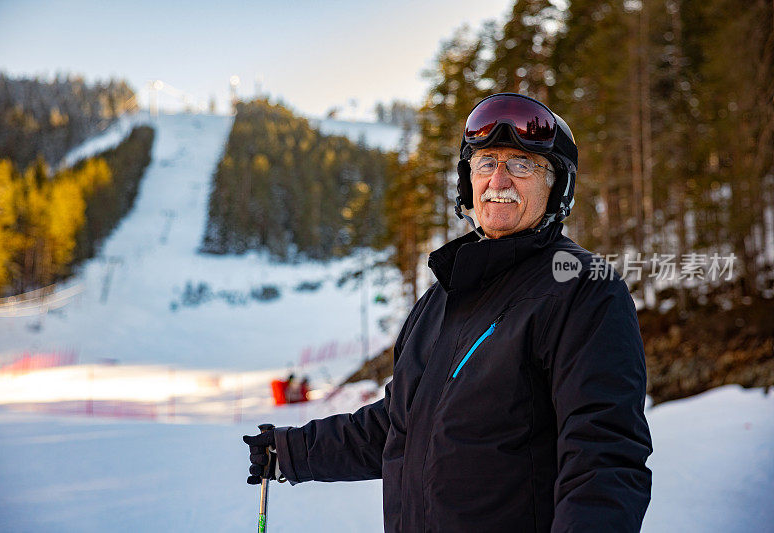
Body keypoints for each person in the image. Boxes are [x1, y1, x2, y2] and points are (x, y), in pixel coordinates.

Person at [244, 93, 652, 532]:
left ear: (556, 187)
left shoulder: (582, 289)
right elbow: (400, 422)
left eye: (522, 164)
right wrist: (294, 451)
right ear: (467, 181)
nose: (499, 179)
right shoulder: (440, 300)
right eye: (485, 163)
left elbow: (604, 458)